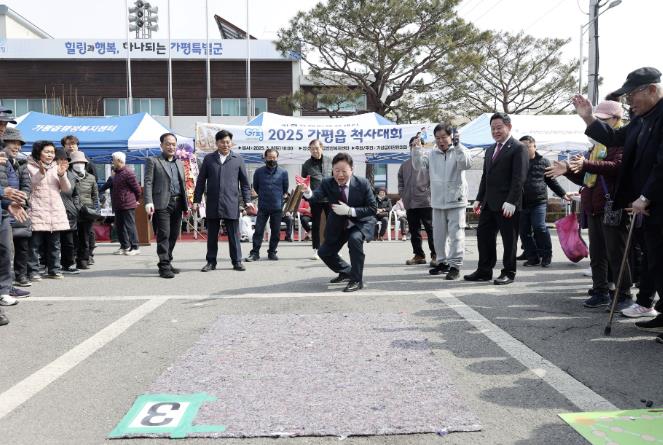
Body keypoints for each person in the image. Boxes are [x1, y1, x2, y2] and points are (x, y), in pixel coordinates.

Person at [571, 67, 663, 340]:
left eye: (632, 94)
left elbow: (661, 164)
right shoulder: (641, 119)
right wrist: (587, 117)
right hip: (644, 205)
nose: (628, 101)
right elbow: (614, 138)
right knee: (654, 259)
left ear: (652, 90)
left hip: (654, 200)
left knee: (659, 260)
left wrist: (646, 196)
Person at [465, 112, 528, 285]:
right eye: (493, 128)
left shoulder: (518, 148)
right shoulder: (490, 149)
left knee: (509, 240)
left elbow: (519, 177)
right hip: (488, 203)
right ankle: (484, 270)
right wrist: (478, 198)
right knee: (483, 236)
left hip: (508, 204)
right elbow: (486, 176)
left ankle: (508, 272)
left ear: (509, 127)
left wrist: (512, 200)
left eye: (499, 127)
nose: (496, 131)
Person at [302, 152, 377, 292]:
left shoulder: (362, 183)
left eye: (344, 171)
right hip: (338, 223)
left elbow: (372, 209)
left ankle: (356, 280)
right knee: (324, 252)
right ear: (332, 170)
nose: (340, 175)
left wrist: (350, 211)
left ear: (352, 170)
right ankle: (347, 272)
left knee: (354, 240)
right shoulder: (327, 183)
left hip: (360, 222)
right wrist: (307, 191)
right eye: (337, 171)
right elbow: (315, 197)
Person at [193, 129, 253, 272]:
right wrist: (196, 200)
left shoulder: (237, 159)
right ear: (217, 143)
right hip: (213, 202)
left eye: (228, 142)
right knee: (212, 235)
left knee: (234, 234)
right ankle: (211, 262)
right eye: (222, 142)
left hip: (231, 202)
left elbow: (244, 183)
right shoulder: (208, 159)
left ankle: (237, 261)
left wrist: (247, 201)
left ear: (231, 143)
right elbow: (200, 181)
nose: (225, 144)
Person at [427, 123, 472, 280]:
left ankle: (455, 265)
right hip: (438, 200)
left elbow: (467, 164)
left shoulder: (461, 149)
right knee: (438, 235)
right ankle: (442, 262)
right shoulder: (432, 153)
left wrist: (458, 145)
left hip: (456, 200)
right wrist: (415, 150)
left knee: (456, 235)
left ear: (451, 136)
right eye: (437, 138)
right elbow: (418, 165)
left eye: (444, 137)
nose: (441, 141)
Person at [518, 135, 570, 268]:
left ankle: (546, 255)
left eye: (527, 146)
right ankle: (532, 257)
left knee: (539, 227)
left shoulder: (544, 161)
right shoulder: (517, 161)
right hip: (522, 202)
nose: (524, 149)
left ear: (534, 146)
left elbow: (551, 181)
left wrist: (563, 194)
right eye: (521, 147)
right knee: (524, 232)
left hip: (539, 201)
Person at [26, 140, 71, 280]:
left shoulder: (56, 167)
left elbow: (66, 189)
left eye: (52, 152)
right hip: (37, 209)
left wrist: (62, 175)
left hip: (54, 211)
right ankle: (33, 271)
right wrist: (40, 173)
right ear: (38, 152)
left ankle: (54, 269)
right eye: (47, 151)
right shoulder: (29, 166)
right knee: (34, 244)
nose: (50, 155)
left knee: (54, 244)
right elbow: (29, 185)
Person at [144, 133, 187, 278]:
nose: (171, 146)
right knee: (164, 235)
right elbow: (148, 182)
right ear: (161, 145)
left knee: (174, 235)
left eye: (174, 144)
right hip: (161, 203)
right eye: (168, 144)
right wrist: (148, 201)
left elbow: (182, 184)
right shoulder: (153, 161)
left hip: (178, 203)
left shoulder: (179, 163)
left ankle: (167, 260)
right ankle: (163, 266)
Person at [0, 127, 32, 288]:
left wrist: (21, 200)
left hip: (15, 208)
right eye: (13, 142)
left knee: (16, 248)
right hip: (6, 208)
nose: (17, 147)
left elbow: (27, 185)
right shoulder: (2, 160)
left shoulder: (20, 162)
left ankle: (10, 285)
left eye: (19, 144)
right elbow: (3, 186)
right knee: (6, 250)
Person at [397, 136, 436, 266]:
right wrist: (404, 195)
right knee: (414, 231)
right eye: (412, 145)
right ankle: (418, 255)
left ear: (423, 147)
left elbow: (434, 180)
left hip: (426, 201)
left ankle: (435, 254)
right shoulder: (404, 165)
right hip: (410, 202)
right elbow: (400, 182)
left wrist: (428, 193)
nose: (415, 147)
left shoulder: (428, 161)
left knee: (431, 229)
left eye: (417, 145)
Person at [245, 148, 289, 262]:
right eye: (269, 157)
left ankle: (272, 252)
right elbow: (256, 187)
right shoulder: (258, 172)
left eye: (274, 157)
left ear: (277, 158)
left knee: (276, 231)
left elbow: (285, 188)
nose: (272, 159)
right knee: (258, 230)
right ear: (265, 158)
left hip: (277, 207)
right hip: (263, 206)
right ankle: (255, 253)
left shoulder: (283, 172)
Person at [61, 135, 97, 264]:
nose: (71, 146)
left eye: (73, 144)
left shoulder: (88, 163)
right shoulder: (63, 162)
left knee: (87, 232)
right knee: (72, 233)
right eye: (68, 144)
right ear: (64, 146)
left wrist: (94, 206)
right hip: (70, 205)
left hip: (86, 205)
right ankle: (74, 256)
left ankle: (88, 255)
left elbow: (94, 185)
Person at [301, 139, 332, 260]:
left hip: (330, 198)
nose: (314, 150)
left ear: (322, 148)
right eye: (312, 148)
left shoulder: (330, 161)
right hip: (315, 199)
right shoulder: (306, 164)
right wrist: (306, 196)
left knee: (333, 224)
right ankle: (316, 250)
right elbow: (303, 183)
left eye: (316, 148)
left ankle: (333, 249)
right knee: (316, 225)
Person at [69, 150, 99, 270]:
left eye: (82, 162)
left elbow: (95, 195)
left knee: (85, 237)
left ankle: (83, 260)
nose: (79, 164)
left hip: (87, 211)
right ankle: (71, 259)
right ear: (72, 163)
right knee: (72, 238)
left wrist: (96, 209)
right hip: (71, 211)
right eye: (77, 162)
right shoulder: (67, 176)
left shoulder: (91, 178)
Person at [109, 152, 141, 257]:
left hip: (127, 204)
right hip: (118, 204)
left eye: (113, 160)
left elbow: (137, 189)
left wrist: (135, 200)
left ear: (119, 161)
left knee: (130, 226)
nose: (112, 162)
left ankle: (135, 247)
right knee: (119, 226)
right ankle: (124, 246)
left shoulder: (128, 172)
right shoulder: (116, 173)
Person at [59, 150, 81, 275]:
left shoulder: (72, 176)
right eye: (62, 160)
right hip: (55, 210)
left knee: (69, 241)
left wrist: (76, 206)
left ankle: (67, 264)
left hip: (70, 212)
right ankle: (48, 264)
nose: (65, 163)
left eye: (67, 161)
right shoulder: (51, 173)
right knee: (53, 241)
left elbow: (76, 194)